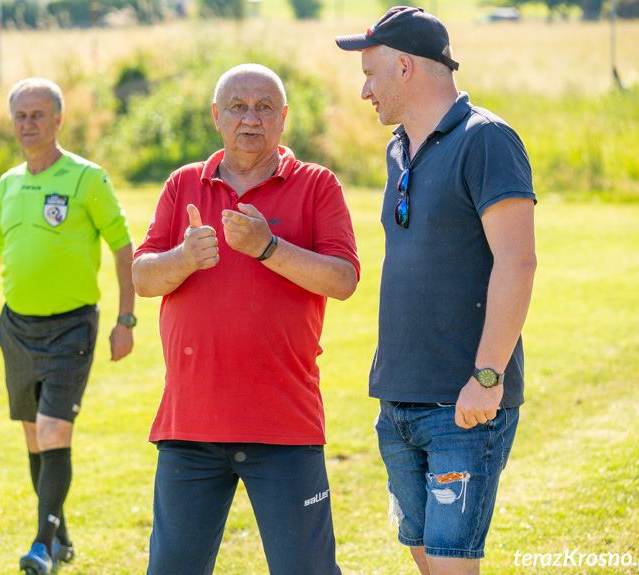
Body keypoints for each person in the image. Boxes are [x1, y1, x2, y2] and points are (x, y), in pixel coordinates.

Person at [131, 63, 360, 575]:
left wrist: (268, 247)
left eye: (263, 107)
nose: (249, 119)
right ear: (217, 116)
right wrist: (182, 259)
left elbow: (343, 279)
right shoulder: (183, 183)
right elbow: (143, 278)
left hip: (284, 425)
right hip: (189, 427)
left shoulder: (317, 185)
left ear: (284, 118)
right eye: (237, 106)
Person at [336, 7, 537, 575]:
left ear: (404, 67)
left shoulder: (486, 140)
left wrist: (488, 377)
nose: (363, 90)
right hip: (397, 403)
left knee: (452, 568)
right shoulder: (399, 149)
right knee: (427, 564)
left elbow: (517, 262)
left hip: (463, 407)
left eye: (371, 73)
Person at [0, 78, 137, 575]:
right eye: (20, 115)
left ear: (59, 120)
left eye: (38, 115)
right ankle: (60, 534)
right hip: (16, 329)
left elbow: (123, 246)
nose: (28, 124)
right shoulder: (9, 183)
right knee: (32, 437)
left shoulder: (88, 179)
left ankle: (42, 545)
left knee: (51, 429)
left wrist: (125, 318)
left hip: (72, 329)